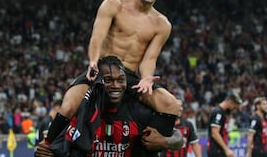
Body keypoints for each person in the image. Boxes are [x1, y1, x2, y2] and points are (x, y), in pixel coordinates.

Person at [46, 0, 181, 144]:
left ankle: (150, 148)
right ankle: (47, 147)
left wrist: (146, 78)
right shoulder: (113, 5)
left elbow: (149, 58)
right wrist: (93, 61)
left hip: (131, 79)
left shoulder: (162, 24)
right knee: (69, 105)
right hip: (102, 71)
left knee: (171, 104)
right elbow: (97, 37)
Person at [36, 56, 183, 157]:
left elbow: (178, 137)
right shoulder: (83, 110)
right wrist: (45, 150)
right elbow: (48, 147)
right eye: (108, 80)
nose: (116, 86)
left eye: (121, 80)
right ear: (98, 81)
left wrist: (165, 141)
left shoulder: (138, 110)